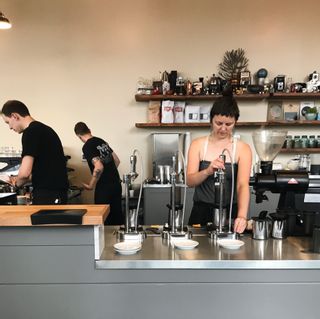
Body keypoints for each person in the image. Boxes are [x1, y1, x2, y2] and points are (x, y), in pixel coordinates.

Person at [186, 89, 252, 233]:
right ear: (211, 120)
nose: (223, 129)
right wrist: (207, 171)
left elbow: (242, 185)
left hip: (230, 213)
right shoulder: (198, 145)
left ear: (235, 122)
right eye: (219, 123)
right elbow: (190, 181)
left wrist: (241, 216)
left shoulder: (242, 149)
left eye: (229, 124)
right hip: (201, 212)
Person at [1, 100, 69, 204]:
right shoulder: (45, 129)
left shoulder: (30, 133)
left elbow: (24, 174)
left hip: (48, 194)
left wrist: (15, 184)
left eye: (8, 122)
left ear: (14, 116)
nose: (10, 127)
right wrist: (16, 178)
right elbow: (44, 171)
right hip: (57, 193)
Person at [74, 122, 123, 225]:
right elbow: (117, 160)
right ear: (89, 130)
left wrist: (91, 185)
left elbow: (99, 166)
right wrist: (109, 173)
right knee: (117, 218)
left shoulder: (87, 146)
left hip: (104, 188)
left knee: (103, 219)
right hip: (116, 184)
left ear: (79, 136)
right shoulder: (101, 141)